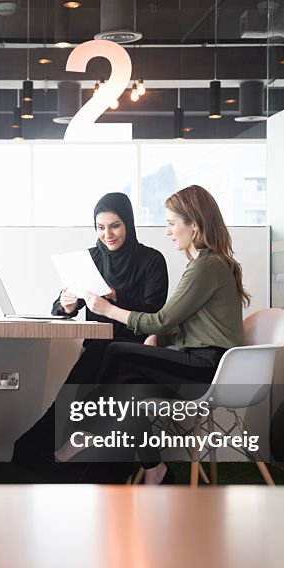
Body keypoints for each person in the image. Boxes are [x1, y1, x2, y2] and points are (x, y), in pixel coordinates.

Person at [80, 184, 249, 485]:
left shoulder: (205, 267)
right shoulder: (205, 265)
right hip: (199, 362)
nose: (168, 231)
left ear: (194, 226)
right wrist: (158, 337)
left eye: (172, 223)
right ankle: (156, 470)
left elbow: (161, 318)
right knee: (128, 387)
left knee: (116, 351)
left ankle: (88, 427)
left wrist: (109, 310)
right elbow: (177, 324)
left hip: (207, 368)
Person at [10, 192, 168, 483]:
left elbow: (156, 314)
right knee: (80, 389)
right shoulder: (90, 259)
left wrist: (117, 299)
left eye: (115, 226)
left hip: (137, 351)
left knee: (94, 389)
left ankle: (77, 451)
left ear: (129, 224)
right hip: (98, 348)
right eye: (100, 227)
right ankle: (62, 453)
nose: (107, 234)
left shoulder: (152, 260)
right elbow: (61, 309)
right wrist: (66, 304)